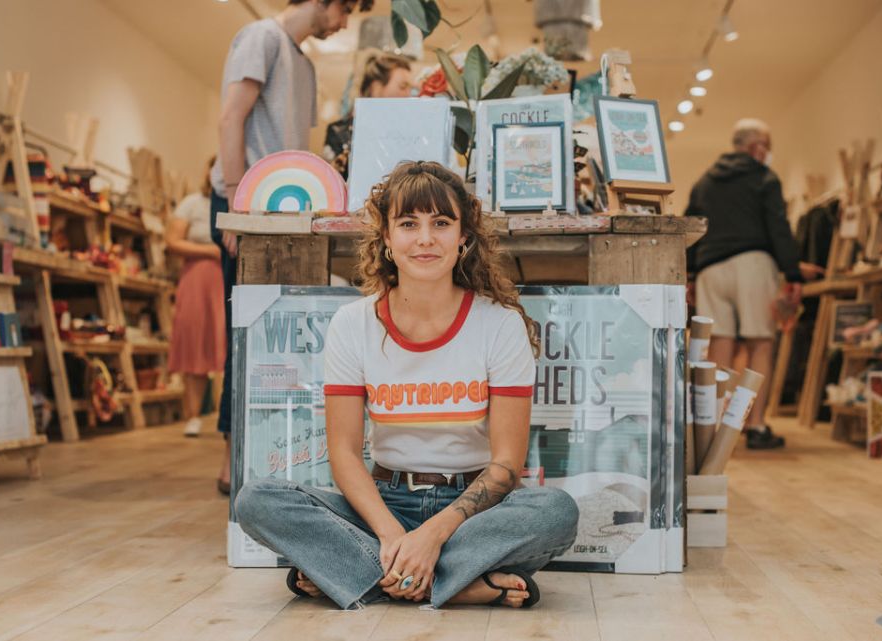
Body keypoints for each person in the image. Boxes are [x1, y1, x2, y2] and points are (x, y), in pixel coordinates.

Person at [235, 161, 579, 610]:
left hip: (471, 510)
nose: (425, 238)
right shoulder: (352, 324)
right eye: (408, 224)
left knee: (557, 512)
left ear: (463, 239)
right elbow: (342, 452)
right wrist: (394, 535)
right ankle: (460, 585)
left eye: (441, 223)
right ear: (387, 241)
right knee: (257, 500)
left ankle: (364, 577)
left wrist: (432, 537)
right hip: (382, 505)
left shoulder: (499, 325)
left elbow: (507, 465)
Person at [210, 0, 372, 494]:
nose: (345, 22)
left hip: (288, 211)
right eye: (345, 9)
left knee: (273, 338)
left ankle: (263, 457)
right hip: (251, 207)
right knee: (246, 334)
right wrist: (239, 206)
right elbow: (230, 118)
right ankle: (232, 462)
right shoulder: (261, 37)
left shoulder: (302, 61)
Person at [685, 118, 803, 450]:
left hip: (711, 269)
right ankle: (756, 425)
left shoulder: (704, 182)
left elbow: (693, 227)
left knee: (720, 346)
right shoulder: (764, 177)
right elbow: (778, 226)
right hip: (752, 263)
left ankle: (719, 426)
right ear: (756, 147)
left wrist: (691, 274)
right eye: (768, 146)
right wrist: (792, 274)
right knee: (760, 343)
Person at [166, 158, 225, 438]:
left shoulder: (232, 202)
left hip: (224, 278)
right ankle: (193, 416)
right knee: (194, 341)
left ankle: (224, 414)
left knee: (224, 341)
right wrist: (209, 252)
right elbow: (173, 241)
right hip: (197, 279)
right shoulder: (192, 203)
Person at [322, 53, 414, 179]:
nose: (408, 94)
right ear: (376, 88)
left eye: (411, 88)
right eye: (403, 87)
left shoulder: (409, 133)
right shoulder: (339, 132)